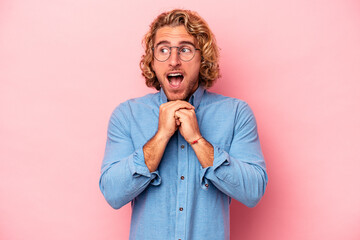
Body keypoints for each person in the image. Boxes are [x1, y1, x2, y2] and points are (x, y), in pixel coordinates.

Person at [99, 9, 268, 240]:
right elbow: (113, 194)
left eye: (185, 49)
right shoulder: (126, 115)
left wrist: (197, 140)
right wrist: (161, 137)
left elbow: (253, 192)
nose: (174, 60)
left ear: (203, 58)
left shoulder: (237, 114)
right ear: (153, 60)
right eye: (164, 50)